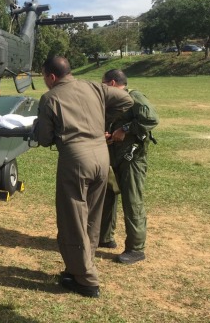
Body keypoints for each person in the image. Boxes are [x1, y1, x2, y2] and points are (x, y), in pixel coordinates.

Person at [34, 57, 133, 298]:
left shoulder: (51, 98)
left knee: (72, 218)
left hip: (76, 160)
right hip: (101, 156)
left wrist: (40, 126)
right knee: (91, 215)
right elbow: (127, 99)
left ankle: (87, 280)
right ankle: (78, 268)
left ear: (52, 77)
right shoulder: (93, 87)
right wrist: (102, 117)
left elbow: (44, 138)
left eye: (45, 77)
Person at [99, 69, 159, 264]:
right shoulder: (114, 102)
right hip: (114, 156)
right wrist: (110, 134)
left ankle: (136, 249)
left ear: (114, 83)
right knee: (108, 195)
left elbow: (150, 119)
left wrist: (125, 129)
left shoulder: (134, 97)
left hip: (132, 159)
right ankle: (105, 237)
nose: (103, 88)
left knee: (132, 202)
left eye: (104, 84)